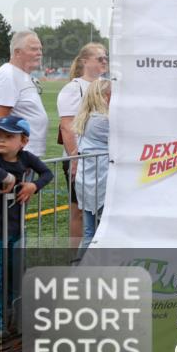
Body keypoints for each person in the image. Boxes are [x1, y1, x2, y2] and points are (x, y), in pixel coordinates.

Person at [0, 116, 53, 340]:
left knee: (15, 273)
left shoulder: (25, 157)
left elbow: (47, 173)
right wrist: (8, 177)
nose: (0, 140)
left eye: (8, 136)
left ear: (23, 141)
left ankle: (13, 315)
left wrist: (33, 185)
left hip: (16, 229)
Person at [57, 43, 108, 242]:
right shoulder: (74, 88)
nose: (104, 61)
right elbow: (67, 127)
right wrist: (75, 159)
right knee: (79, 212)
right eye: (99, 58)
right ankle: (75, 260)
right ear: (85, 61)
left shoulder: (107, 84)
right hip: (81, 159)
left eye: (105, 58)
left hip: (102, 161)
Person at [0, 31, 48, 157]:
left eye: (40, 49)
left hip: (25, 157)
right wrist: (6, 162)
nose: (39, 53)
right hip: (13, 161)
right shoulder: (8, 76)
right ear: (17, 52)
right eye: (34, 49)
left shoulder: (21, 75)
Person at [73, 79, 110, 250]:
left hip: (88, 181)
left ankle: (81, 269)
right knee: (102, 232)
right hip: (100, 181)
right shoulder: (101, 120)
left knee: (89, 232)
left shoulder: (87, 117)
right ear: (103, 96)